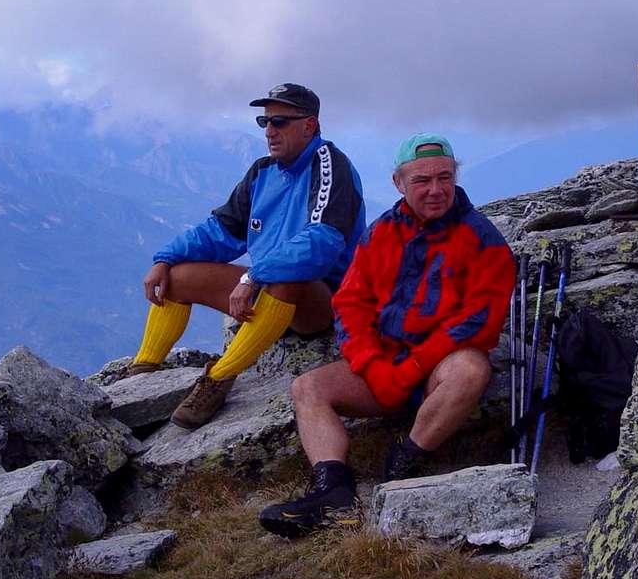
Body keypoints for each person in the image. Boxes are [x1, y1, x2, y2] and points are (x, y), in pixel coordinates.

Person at [259, 132, 516, 538]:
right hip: (383, 365)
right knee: (308, 388)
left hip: (436, 371)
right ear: (399, 183)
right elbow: (350, 304)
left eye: (444, 178)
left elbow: (479, 320)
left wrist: (413, 366)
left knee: (470, 369)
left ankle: (403, 462)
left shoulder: (482, 238)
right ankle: (334, 496)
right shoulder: (381, 233)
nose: (436, 190)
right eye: (422, 180)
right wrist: (370, 364)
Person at [122, 83, 366, 429]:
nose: (269, 131)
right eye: (264, 123)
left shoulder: (330, 167)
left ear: (309, 125)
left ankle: (218, 379)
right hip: (262, 292)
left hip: (317, 302)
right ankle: (144, 368)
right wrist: (164, 258)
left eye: (279, 122)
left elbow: (322, 243)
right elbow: (220, 231)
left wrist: (255, 276)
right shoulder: (262, 172)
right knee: (177, 278)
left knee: (289, 277)